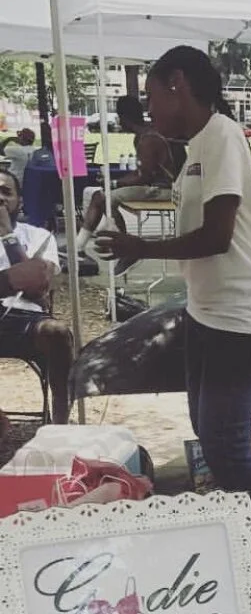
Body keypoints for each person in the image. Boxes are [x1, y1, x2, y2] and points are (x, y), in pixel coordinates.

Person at [93, 46, 251, 585]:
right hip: (207, 312)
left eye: (154, 96)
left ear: (178, 83)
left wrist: (145, 245)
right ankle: (245, 555)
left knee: (226, 442)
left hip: (241, 314)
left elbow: (217, 235)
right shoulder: (198, 146)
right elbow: (196, 228)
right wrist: (141, 243)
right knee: (211, 435)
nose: (150, 111)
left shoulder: (223, 135)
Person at [75, 95, 186, 273]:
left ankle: (98, 247)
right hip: (160, 186)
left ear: (124, 117)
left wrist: (114, 183)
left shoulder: (148, 139)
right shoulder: (145, 135)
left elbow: (144, 177)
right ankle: (90, 243)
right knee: (101, 197)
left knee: (103, 197)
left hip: (164, 189)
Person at [0, 169, 73, 425]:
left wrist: (7, 235)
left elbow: (37, 290)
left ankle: (60, 423)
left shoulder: (39, 236)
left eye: (6, 192)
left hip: (25, 319)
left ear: (19, 201)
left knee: (57, 332)